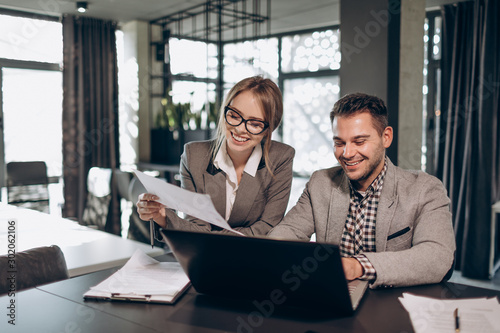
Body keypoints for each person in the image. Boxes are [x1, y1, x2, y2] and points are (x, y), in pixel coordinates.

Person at [268, 92, 455, 288]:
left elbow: (438, 257)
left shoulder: (425, 189)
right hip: (335, 298)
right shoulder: (320, 183)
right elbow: (290, 230)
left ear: (386, 137)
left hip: (394, 302)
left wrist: (358, 266)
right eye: (339, 143)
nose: (347, 154)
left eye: (359, 142)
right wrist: (275, 250)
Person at [137, 76, 295, 236]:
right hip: (204, 255)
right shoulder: (194, 157)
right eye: (234, 116)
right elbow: (197, 227)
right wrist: (161, 216)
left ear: (269, 129)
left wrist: (215, 238)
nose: (240, 129)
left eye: (255, 124)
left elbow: (268, 226)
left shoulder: (280, 158)